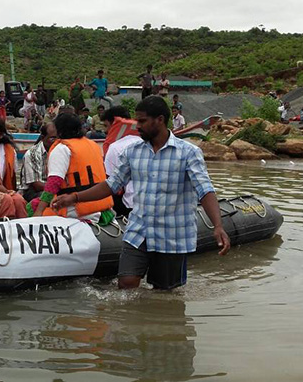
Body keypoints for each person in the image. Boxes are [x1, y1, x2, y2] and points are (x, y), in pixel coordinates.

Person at [51, 96, 231, 290]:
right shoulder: (133, 152)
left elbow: (204, 190)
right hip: (138, 231)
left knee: (165, 294)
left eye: (143, 121)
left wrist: (218, 226)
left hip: (172, 235)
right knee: (126, 284)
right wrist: (75, 197)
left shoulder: (188, 153)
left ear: (160, 120)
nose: (138, 126)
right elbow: (111, 185)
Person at [32, 112, 113, 222]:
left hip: (77, 208)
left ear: (58, 130)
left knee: (32, 206)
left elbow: (54, 183)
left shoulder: (62, 149)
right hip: (103, 204)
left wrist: (39, 211)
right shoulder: (93, 145)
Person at [102, 106, 141, 218]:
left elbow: (111, 184)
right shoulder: (150, 141)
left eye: (107, 126)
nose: (105, 131)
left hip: (129, 205)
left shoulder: (114, 148)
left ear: (115, 124)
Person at [20, 122, 57, 202]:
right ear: (43, 138)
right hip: (32, 191)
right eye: (53, 138)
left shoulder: (59, 151)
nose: (56, 141)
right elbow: (37, 185)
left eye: (58, 138)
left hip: (52, 188)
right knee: (45, 196)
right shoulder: (32, 154)